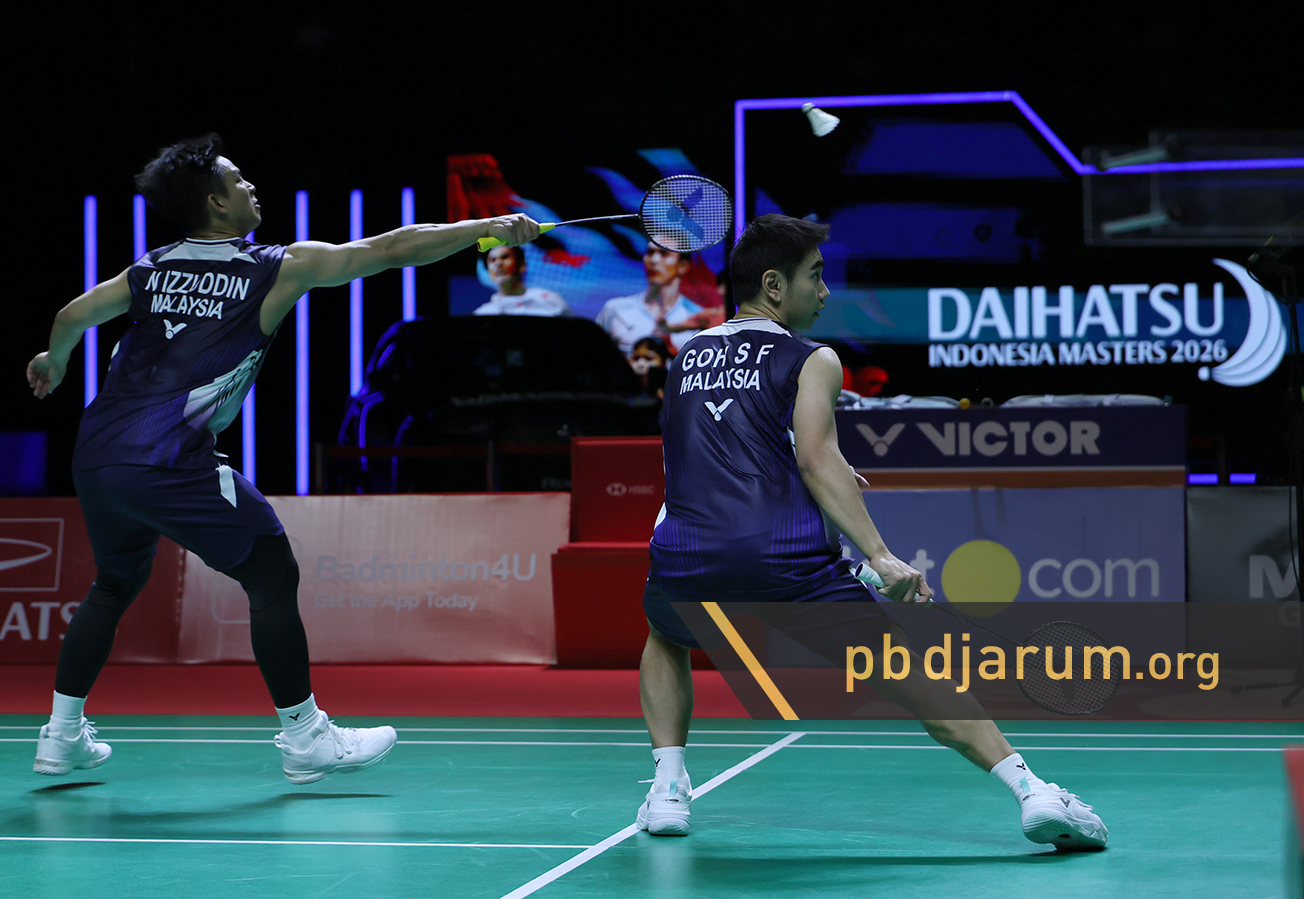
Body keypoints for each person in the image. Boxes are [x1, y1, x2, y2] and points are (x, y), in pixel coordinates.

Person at [25, 134, 541, 783]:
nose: (251, 187)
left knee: (114, 582)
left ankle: (60, 737)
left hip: (98, 458)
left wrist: (54, 360)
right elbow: (392, 249)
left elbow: (72, 315)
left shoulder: (150, 271)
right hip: (168, 459)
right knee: (271, 572)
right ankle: (306, 738)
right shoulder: (274, 267)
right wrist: (487, 229)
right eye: (239, 180)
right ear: (216, 202)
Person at [636, 213, 1108, 850]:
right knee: (909, 674)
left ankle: (668, 789)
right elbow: (816, 459)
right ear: (774, 285)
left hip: (686, 554)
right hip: (786, 562)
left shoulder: (685, 357)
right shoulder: (813, 358)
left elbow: (712, 453)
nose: (824, 291)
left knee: (667, 638)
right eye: (815, 275)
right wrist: (880, 557)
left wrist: (798, 468)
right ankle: (1033, 791)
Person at [595, 244, 705, 355]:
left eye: (664, 253)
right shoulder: (614, 310)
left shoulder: (697, 318)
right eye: (650, 252)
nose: (654, 260)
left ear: (683, 266)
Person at [474, 244, 571, 316]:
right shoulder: (484, 314)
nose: (498, 264)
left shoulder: (551, 301)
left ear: (521, 265)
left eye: (505, 257)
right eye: (492, 260)